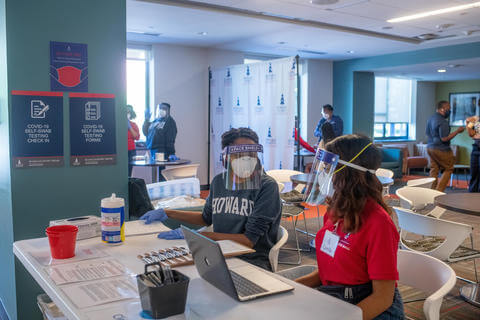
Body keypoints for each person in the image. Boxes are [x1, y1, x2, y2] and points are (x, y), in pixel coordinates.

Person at [139, 127, 282, 270]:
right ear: (226, 157)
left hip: (251, 261)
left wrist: (200, 236)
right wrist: (168, 213)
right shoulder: (219, 181)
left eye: (251, 153)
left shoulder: (267, 187)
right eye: (238, 154)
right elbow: (206, 218)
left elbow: (248, 241)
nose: (246, 159)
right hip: (218, 254)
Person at [295, 134, 404, 320]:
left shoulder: (378, 223)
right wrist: (289, 286)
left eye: (328, 168)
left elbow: (382, 298)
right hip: (336, 296)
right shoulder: (335, 211)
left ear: (347, 174)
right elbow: (329, 271)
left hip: (370, 305)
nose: (322, 174)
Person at [426, 101, 465, 191]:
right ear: (442, 109)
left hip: (430, 147)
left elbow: (428, 134)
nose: (450, 110)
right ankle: (438, 191)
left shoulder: (431, 118)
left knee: (434, 169)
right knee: (449, 168)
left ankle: (430, 191)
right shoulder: (443, 122)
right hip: (441, 149)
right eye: (449, 108)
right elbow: (444, 138)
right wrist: (457, 131)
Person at [466, 115, 480, 192]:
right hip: (476, 148)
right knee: (474, 174)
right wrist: (467, 122)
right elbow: (471, 134)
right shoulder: (476, 119)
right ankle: (471, 196)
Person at [127, 105, 140, 177]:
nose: (127, 113)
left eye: (129, 112)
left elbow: (136, 136)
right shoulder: (118, 124)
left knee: (129, 172)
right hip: (120, 151)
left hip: (131, 151)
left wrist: (129, 127)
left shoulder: (133, 125)